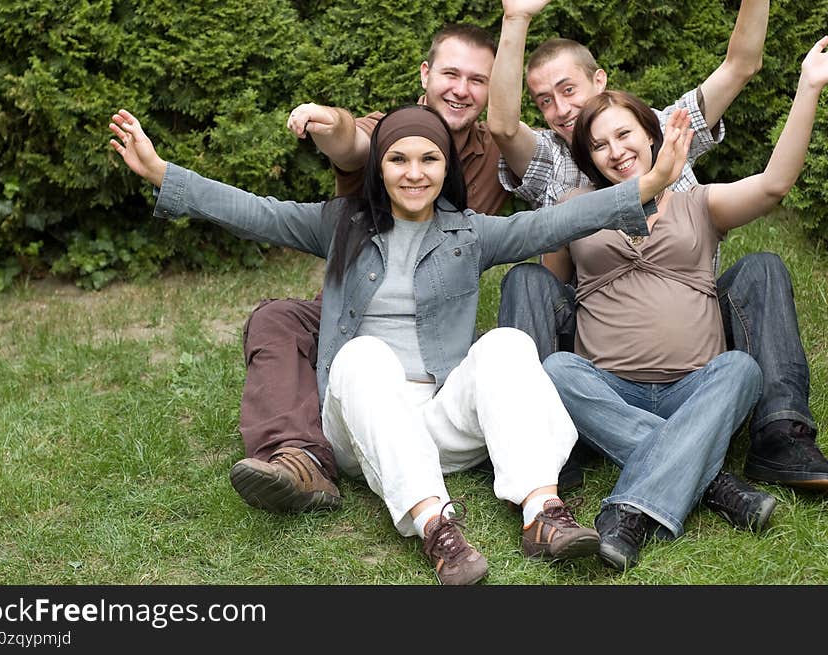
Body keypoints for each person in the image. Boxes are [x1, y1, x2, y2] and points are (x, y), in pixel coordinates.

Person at [108, 103, 692, 583]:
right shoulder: (339, 224)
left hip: (439, 419)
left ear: (445, 170)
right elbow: (254, 213)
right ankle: (438, 528)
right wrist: (163, 173)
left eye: (429, 159)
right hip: (363, 425)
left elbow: (551, 224)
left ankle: (543, 513)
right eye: (399, 159)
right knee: (362, 355)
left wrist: (651, 183)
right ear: (379, 169)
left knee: (507, 344)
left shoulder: (468, 232)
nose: (415, 173)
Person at [489, 0, 828, 495]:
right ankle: (544, 438)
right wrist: (515, 18)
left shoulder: (668, 128)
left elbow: (741, 66)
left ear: (601, 81)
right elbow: (501, 127)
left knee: (762, 269)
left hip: (694, 323)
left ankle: (780, 431)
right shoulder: (552, 163)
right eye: (545, 100)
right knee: (528, 281)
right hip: (600, 339)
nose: (561, 110)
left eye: (569, 90)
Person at [541, 35, 828, 570]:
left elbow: (773, 186)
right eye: (599, 145)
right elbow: (551, 291)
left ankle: (629, 510)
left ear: (652, 135)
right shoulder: (573, 210)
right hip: (608, 388)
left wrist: (809, 87)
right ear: (587, 157)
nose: (615, 151)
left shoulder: (699, 203)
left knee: (741, 369)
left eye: (624, 134)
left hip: (696, 387)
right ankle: (712, 480)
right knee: (556, 368)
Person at [229, 24, 528, 517]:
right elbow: (353, 143)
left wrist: (516, 21)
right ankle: (301, 458)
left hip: (436, 323)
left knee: (498, 353)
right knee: (278, 319)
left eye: (478, 79)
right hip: (361, 305)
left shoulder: (494, 149)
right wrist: (330, 123)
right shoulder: (390, 132)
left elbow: (538, 173)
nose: (461, 89)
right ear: (426, 74)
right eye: (450, 73)